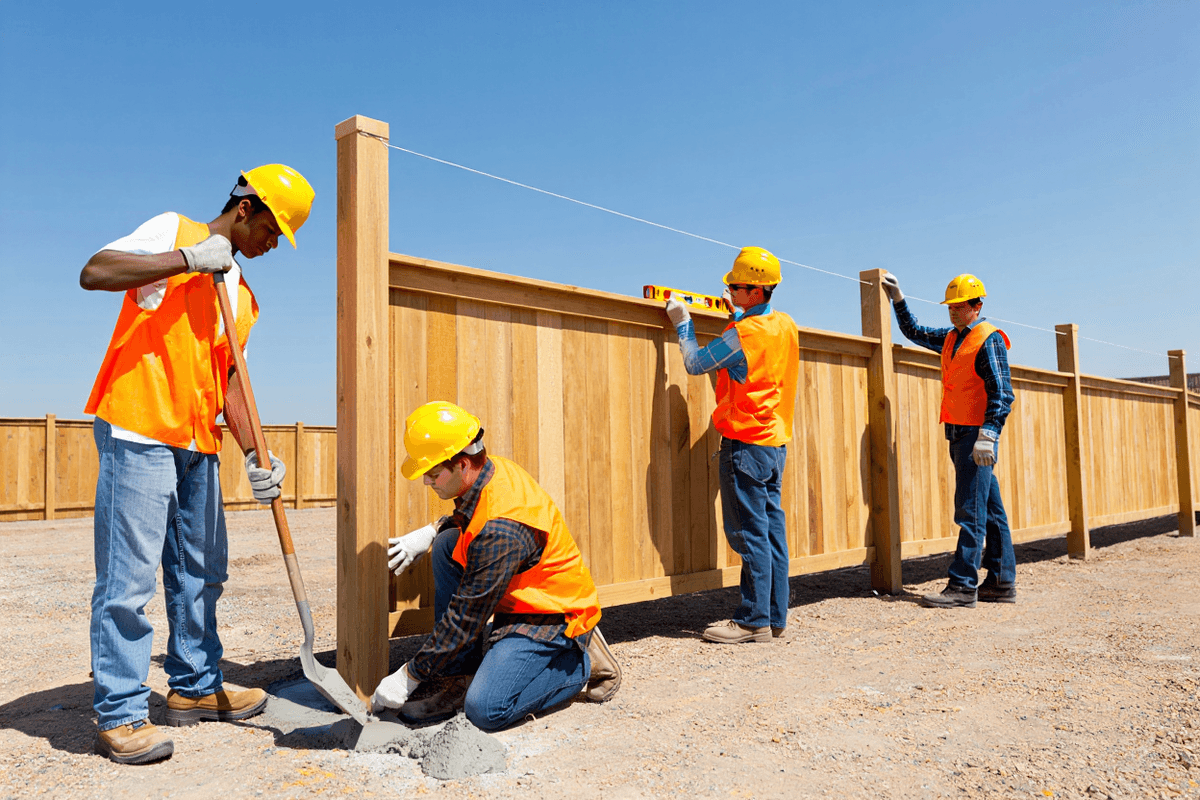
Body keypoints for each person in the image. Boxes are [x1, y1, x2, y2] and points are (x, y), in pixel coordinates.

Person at [79, 165, 315, 764]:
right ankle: (121, 713)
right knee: (128, 581)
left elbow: (230, 379)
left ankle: (195, 686)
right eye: (271, 230)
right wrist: (187, 259)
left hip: (196, 439)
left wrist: (257, 454)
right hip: (140, 425)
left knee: (201, 572)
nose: (272, 244)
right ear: (245, 208)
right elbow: (95, 271)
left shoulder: (243, 296)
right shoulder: (174, 231)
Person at [371, 401, 622, 730]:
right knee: (448, 543)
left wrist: (409, 676)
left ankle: (580, 662)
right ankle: (458, 678)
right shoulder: (489, 470)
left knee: (486, 710)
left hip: (550, 614)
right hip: (518, 595)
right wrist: (433, 529)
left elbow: (466, 616)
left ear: (462, 464)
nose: (426, 482)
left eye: (432, 473)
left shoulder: (501, 531)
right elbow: (474, 517)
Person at [663, 247, 800, 643]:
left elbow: (695, 363)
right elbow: (756, 355)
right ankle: (773, 619)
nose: (730, 290)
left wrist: (683, 324)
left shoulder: (742, 335)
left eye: (736, 287)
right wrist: (737, 314)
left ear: (755, 291)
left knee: (749, 535)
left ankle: (752, 621)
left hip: (744, 446)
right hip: (773, 445)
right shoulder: (785, 325)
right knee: (772, 535)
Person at [881, 272, 1017, 608]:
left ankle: (963, 586)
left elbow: (1002, 392)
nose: (954, 311)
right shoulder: (951, 338)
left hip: (976, 436)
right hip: (960, 434)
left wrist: (989, 434)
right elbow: (915, 332)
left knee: (970, 511)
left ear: (977, 306)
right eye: (950, 306)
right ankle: (1001, 581)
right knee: (989, 509)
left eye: (960, 306)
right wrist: (899, 299)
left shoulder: (988, 339)